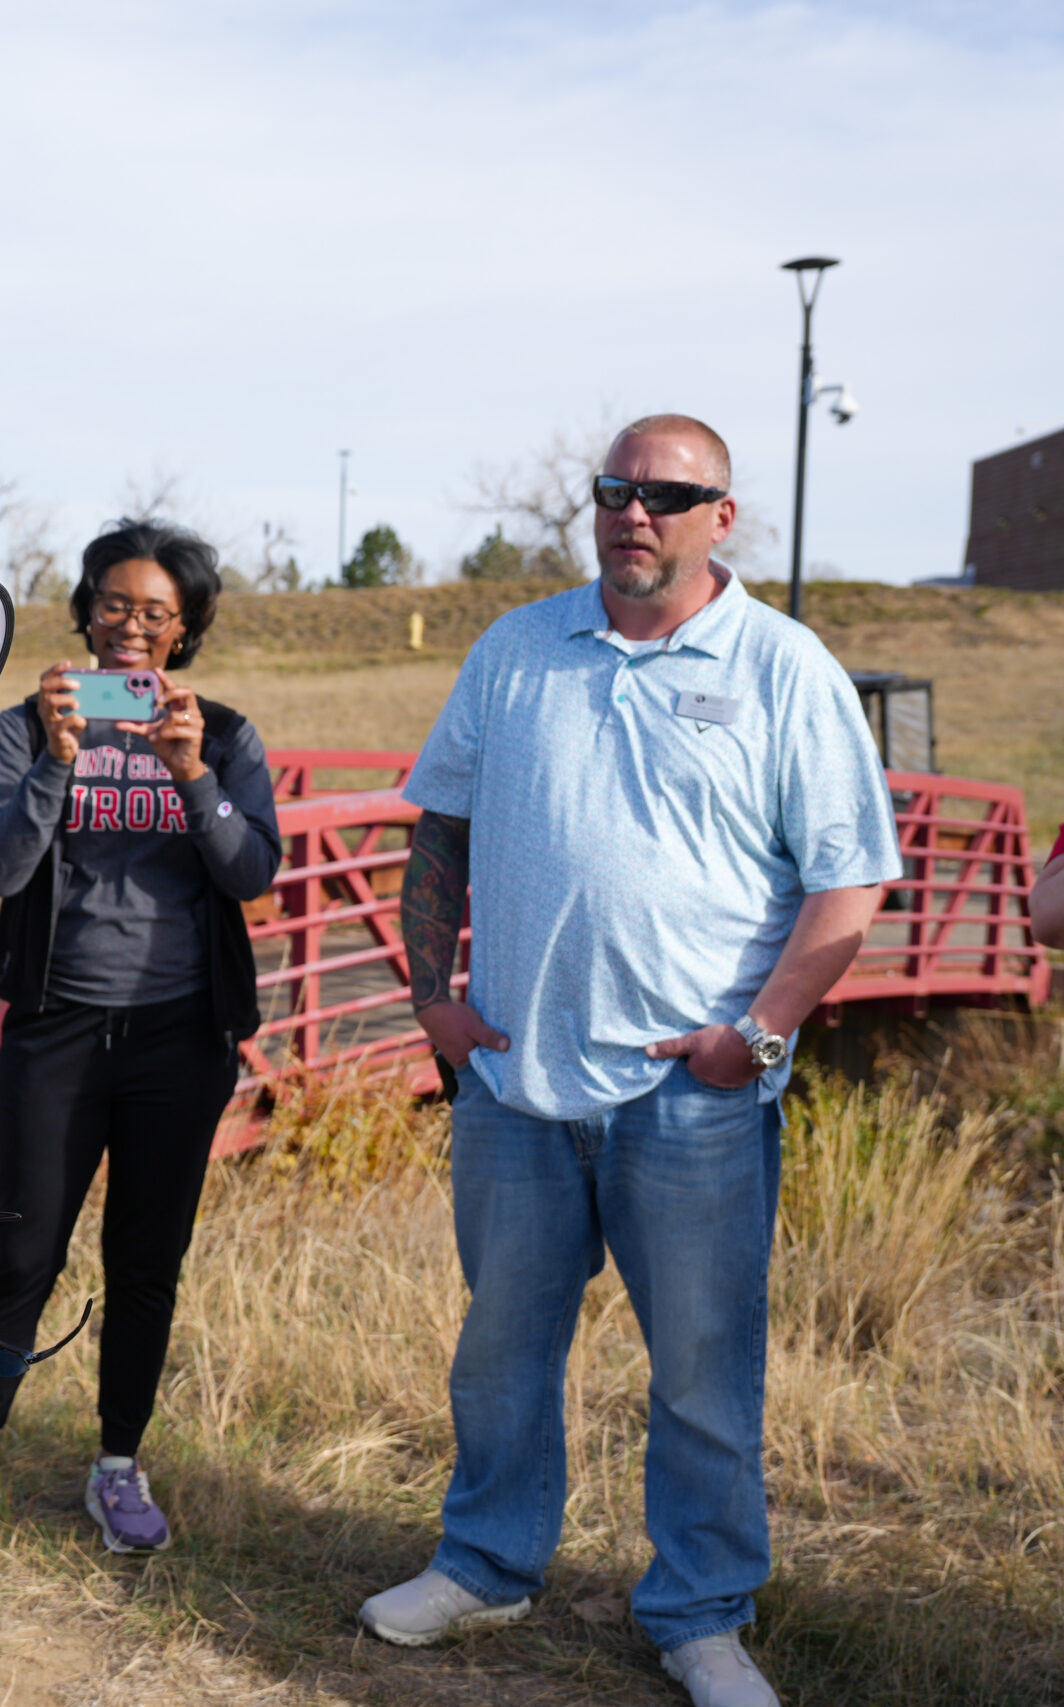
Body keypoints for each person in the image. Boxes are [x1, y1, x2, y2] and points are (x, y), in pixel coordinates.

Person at [357, 416, 898, 1707]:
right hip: (514, 1086)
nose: (632, 512)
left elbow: (851, 883)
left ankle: (702, 1612)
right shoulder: (518, 647)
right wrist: (430, 994)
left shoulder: (782, 666)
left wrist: (755, 1036)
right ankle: (488, 1559)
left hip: (689, 1101)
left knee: (705, 1370)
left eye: (665, 492)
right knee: (499, 1352)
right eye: (613, 489)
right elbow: (442, 823)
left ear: (724, 515)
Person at [0, 518, 282, 1558]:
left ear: (185, 629)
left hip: (180, 1037)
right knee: (22, 1250)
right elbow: (2, 868)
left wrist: (193, 774)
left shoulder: (227, 733)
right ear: (84, 613)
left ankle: (118, 1466)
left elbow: (249, 872)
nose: (131, 630)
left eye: (156, 613)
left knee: (146, 1258)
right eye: (114, 605)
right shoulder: (26, 728)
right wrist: (58, 761)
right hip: (59, 1027)